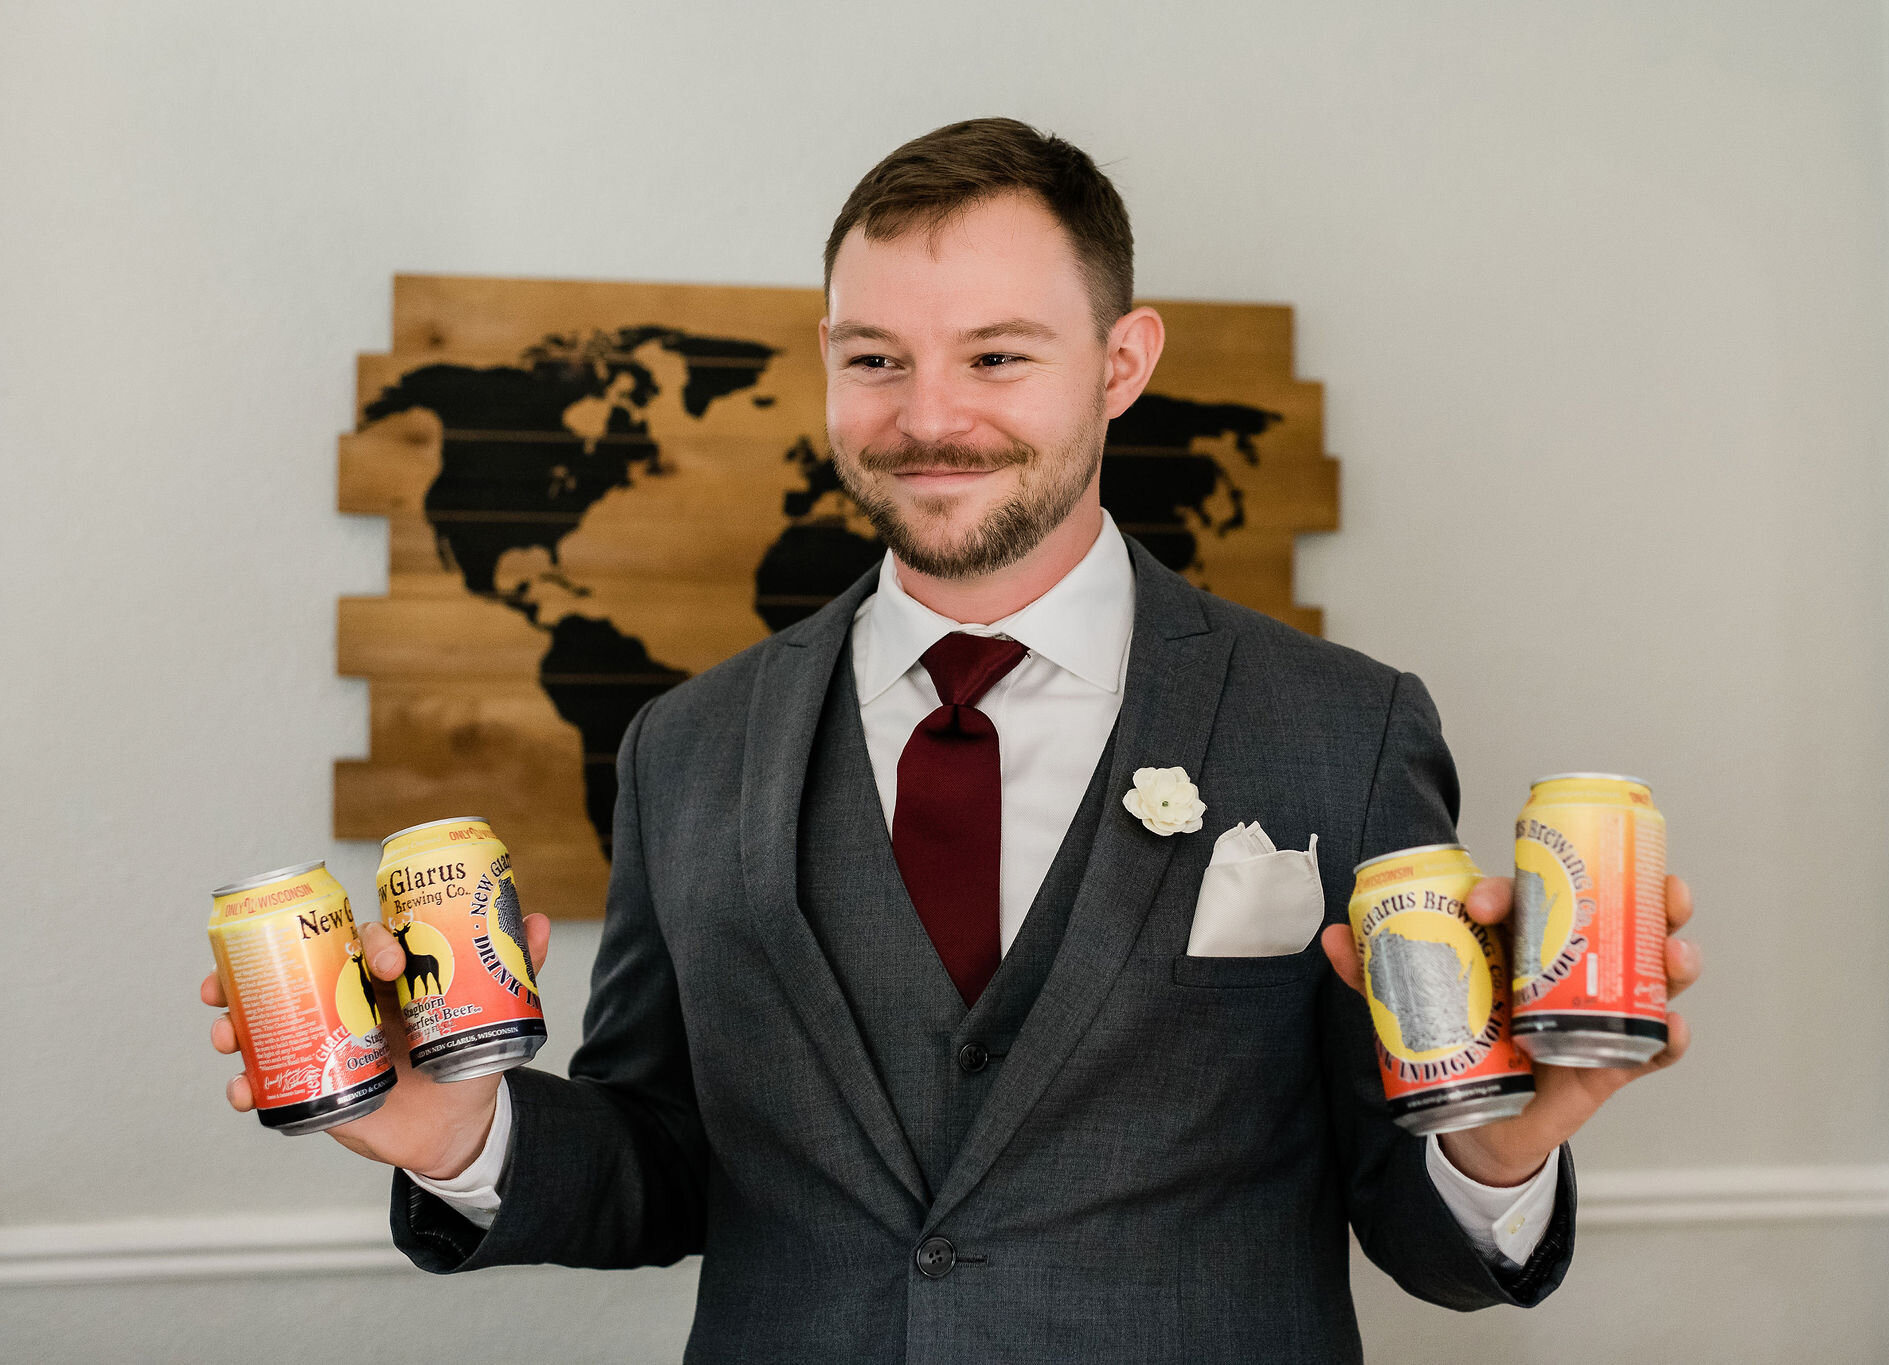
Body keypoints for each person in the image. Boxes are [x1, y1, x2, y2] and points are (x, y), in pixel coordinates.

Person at [202, 118, 1701, 1363]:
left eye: (996, 357)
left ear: (1120, 364)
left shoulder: (1346, 724)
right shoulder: (686, 744)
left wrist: (1505, 1146)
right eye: (875, 359)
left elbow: (1412, 1216)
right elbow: (663, 1163)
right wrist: (455, 1131)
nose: (928, 418)